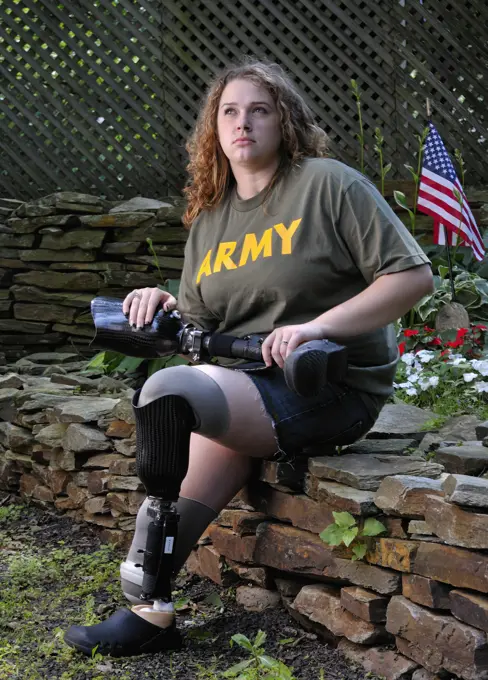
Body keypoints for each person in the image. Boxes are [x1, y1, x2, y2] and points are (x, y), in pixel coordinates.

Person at [64, 58, 433, 657]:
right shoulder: (211, 219)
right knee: (171, 508)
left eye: (259, 110)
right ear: (214, 129)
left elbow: (413, 278)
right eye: (229, 112)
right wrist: (161, 305)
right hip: (246, 384)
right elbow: (199, 325)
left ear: (284, 121)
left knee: (168, 392)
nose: (243, 123)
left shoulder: (328, 184)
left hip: (327, 384)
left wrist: (315, 327)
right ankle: (150, 613)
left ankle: (147, 601)